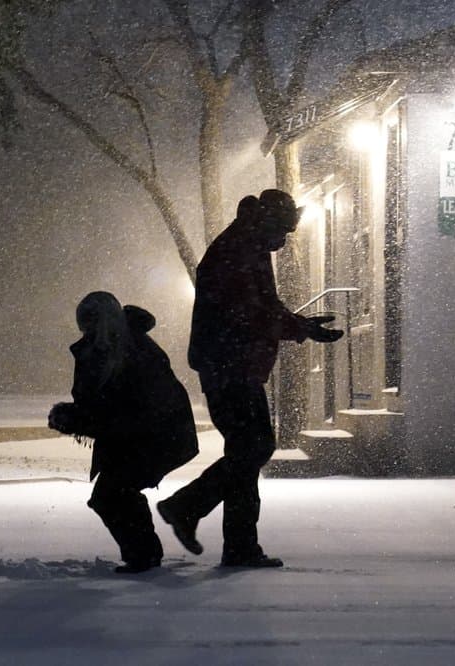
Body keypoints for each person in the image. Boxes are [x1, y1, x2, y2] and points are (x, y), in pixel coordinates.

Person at [156, 189, 343, 568]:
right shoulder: (238, 251)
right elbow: (250, 314)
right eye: (284, 231)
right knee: (253, 449)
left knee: (246, 452)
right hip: (229, 368)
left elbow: (264, 308)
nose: (285, 240)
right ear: (269, 222)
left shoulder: (248, 245)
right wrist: (298, 328)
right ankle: (186, 507)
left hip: (234, 366)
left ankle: (238, 544)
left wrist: (301, 325)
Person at [49, 291, 198, 573]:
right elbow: (103, 407)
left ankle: (143, 556)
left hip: (156, 439)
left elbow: (128, 410)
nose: (86, 330)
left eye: (90, 323)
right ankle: (143, 555)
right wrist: (77, 417)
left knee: (113, 494)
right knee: (115, 494)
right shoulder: (104, 351)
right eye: (84, 324)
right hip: (142, 439)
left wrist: (77, 419)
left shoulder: (134, 352)